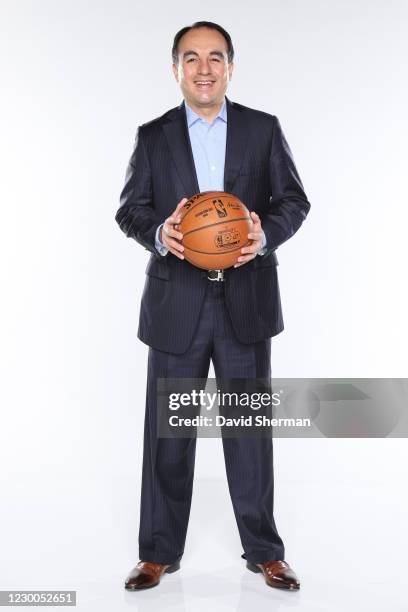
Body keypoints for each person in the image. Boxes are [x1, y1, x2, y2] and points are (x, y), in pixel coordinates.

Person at [115, 21, 310, 591]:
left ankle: (265, 551)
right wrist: (160, 234)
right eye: (192, 57)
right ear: (175, 69)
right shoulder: (152, 136)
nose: (204, 68)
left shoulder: (262, 129)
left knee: (248, 430)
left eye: (215, 57)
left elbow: (294, 200)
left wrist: (263, 234)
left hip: (246, 301)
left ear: (230, 66)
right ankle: (157, 553)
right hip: (177, 303)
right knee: (169, 431)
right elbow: (130, 209)